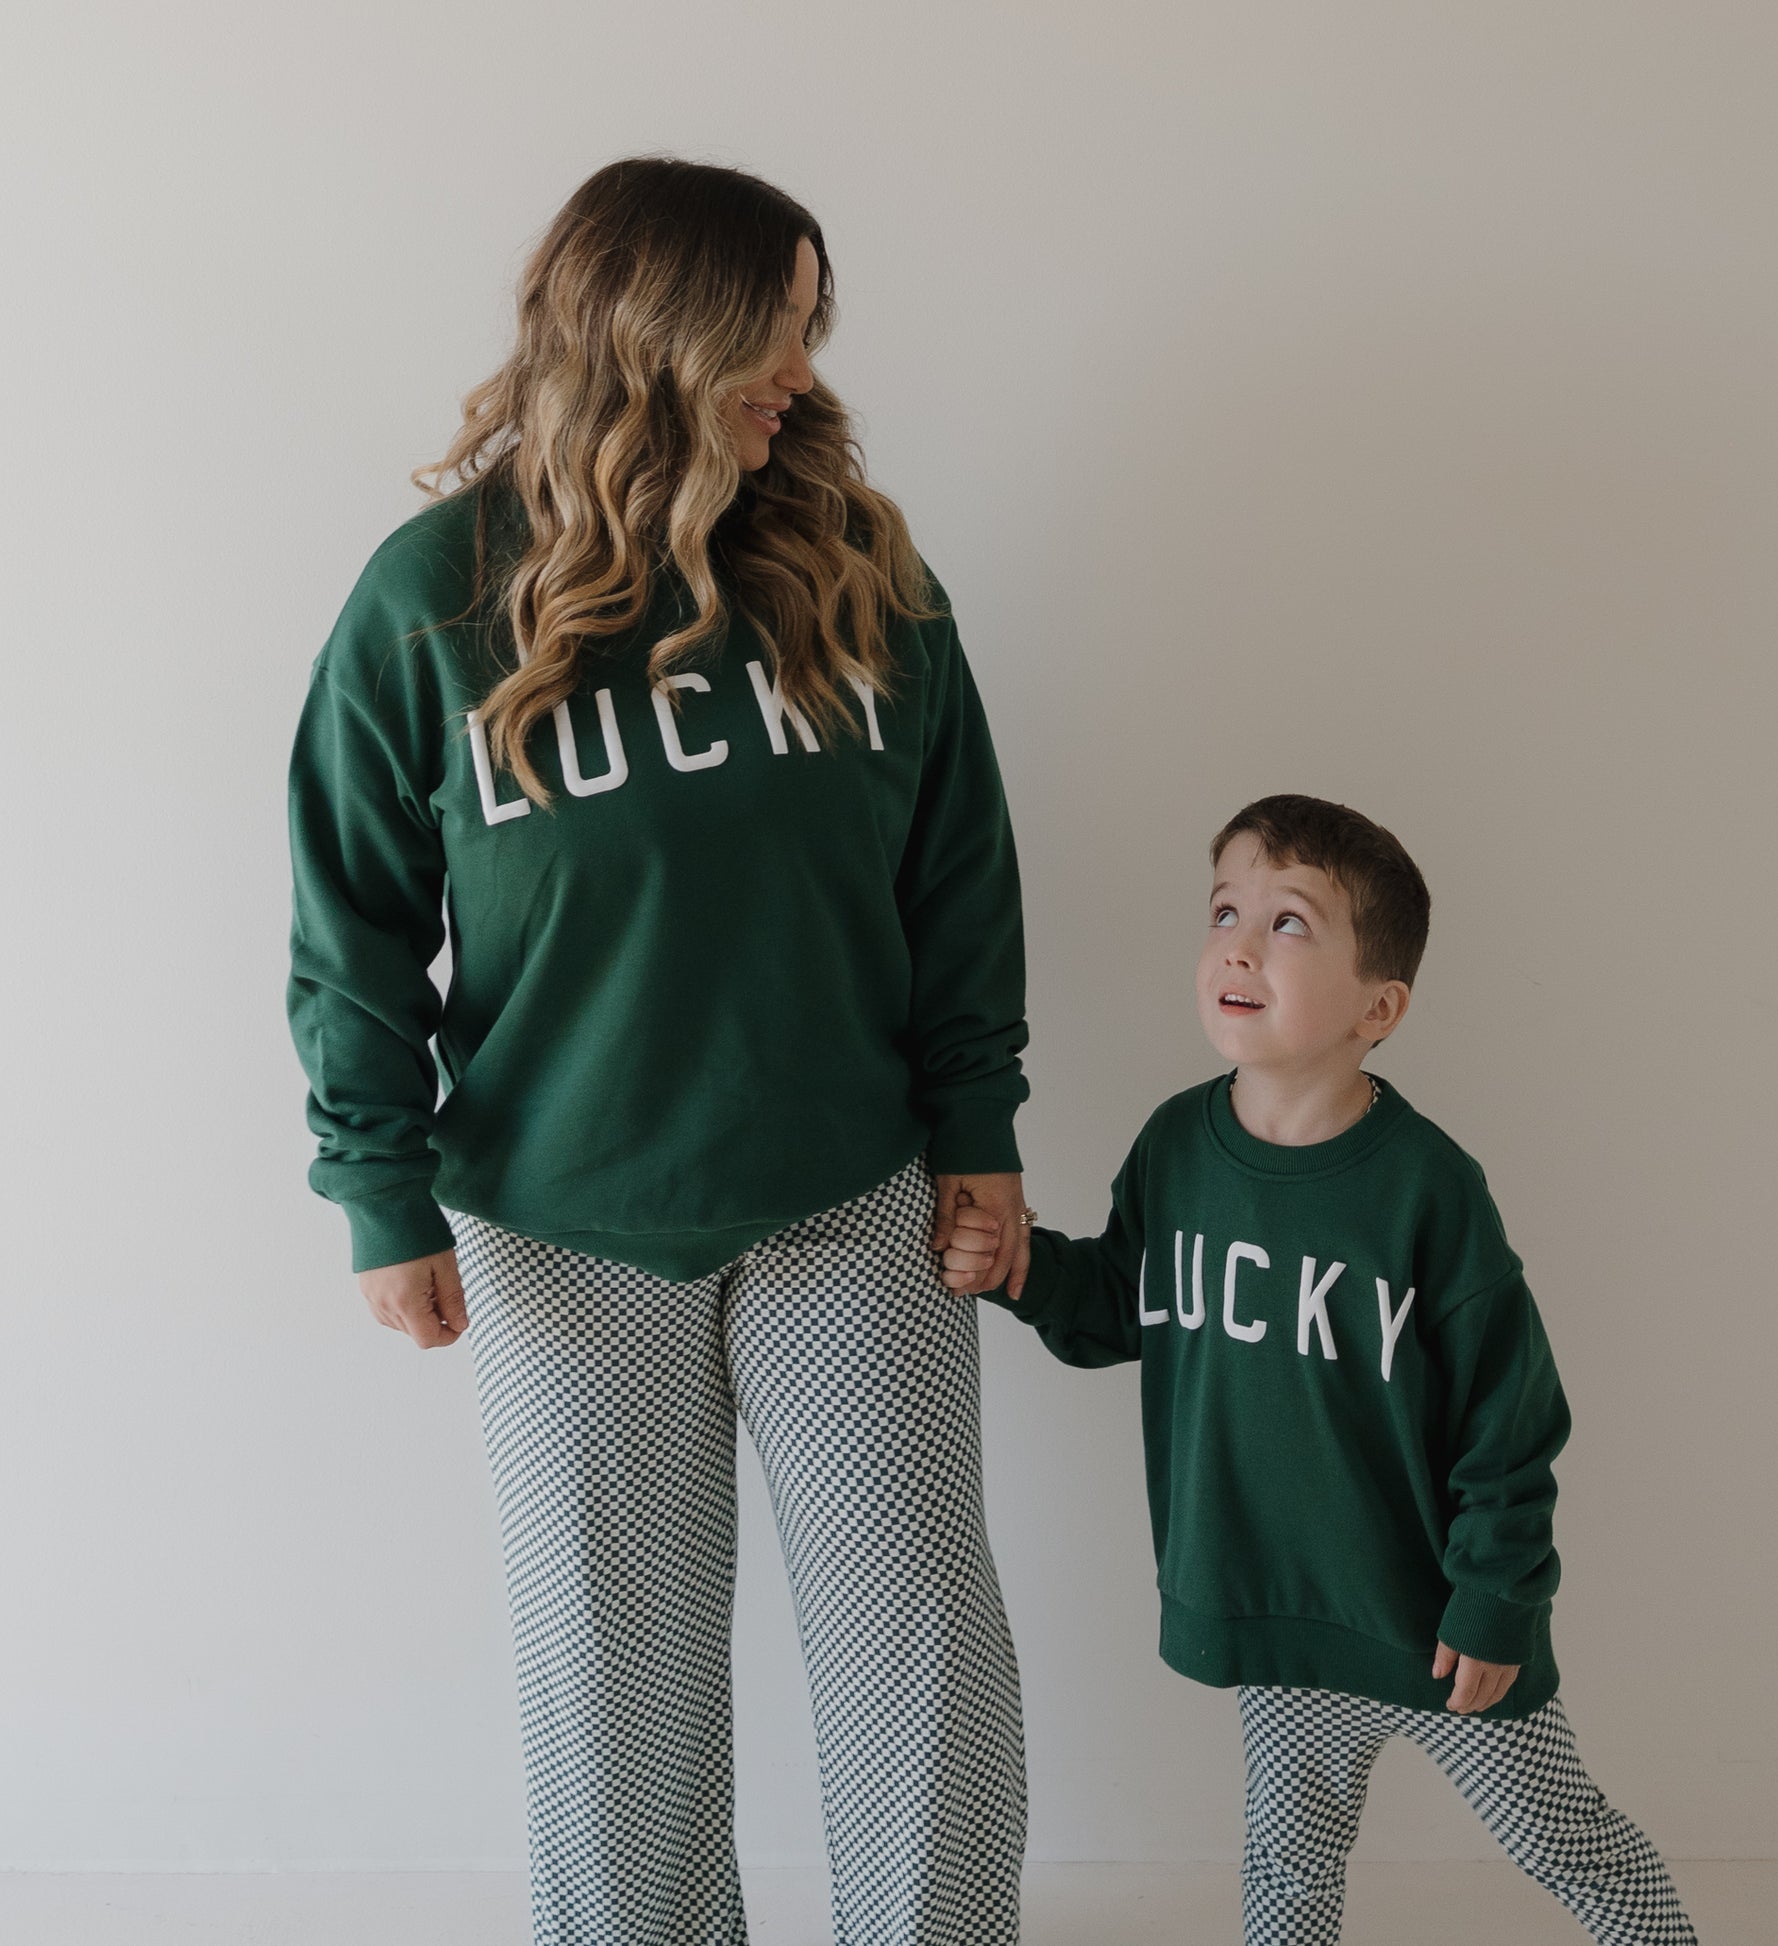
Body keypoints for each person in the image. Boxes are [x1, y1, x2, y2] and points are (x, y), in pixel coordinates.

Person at [287, 157, 1033, 1946]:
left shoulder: (855, 565)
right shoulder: (432, 600)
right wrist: (378, 1188)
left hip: (849, 1196)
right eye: (773, 326)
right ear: (660, 331)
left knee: (921, 1659)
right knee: (615, 1703)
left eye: (807, 325)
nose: (801, 364)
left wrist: (978, 1126)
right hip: (562, 1225)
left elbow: (960, 866)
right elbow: (353, 921)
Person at [944, 794, 1699, 1945]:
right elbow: (1115, 1307)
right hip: (1281, 1615)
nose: (1238, 942)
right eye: (1224, 910)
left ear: (1377, 1007)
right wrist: (1020, 1266)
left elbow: (1511, 1415)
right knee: (1286, 1875)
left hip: (1433, 1624)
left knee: (1565, 1839)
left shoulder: (1426, 1191)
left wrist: (1496, 1598)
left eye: (1288, 922)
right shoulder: (1174, 1148)